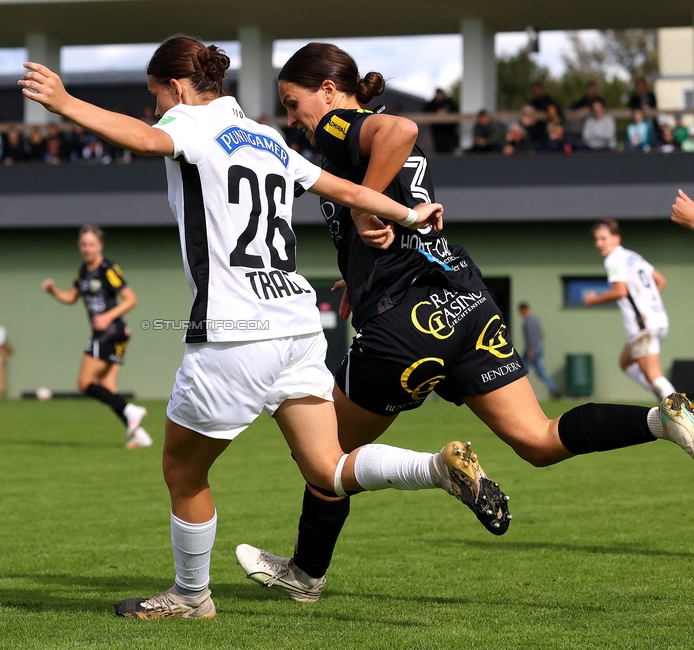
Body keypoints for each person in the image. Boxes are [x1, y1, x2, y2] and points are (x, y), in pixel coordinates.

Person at [234, 42, 694, 604]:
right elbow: (394, 207)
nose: (292, 119)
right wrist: (358, 274)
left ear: (328, 91)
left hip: (406, 318)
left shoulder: (339, 125)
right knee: (538, 440)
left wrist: (365, 205)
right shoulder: (350, 138)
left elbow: (400, 130)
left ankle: (310, 572)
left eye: (292, 102)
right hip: (463, 299)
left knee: (322, 455)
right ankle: (660, 419)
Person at [20, 34, 449, 620]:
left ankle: (191, 596)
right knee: (327, 466)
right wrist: (407, 212)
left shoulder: (192, 127)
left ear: (176, 88)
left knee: (182, 469)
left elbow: (146, 138)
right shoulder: (268, 138)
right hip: (299, 326)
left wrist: (65, 102)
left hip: (235, 330)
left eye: (155, 96)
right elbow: (342, 188)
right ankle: (435, 466)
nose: (155, 109)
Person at [41, 225, 151, 449]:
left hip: (109, 333)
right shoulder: (83, 271)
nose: (87, 248)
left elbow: (131, 299)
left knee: (84, 383)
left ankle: (132, 411)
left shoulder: (108, 269)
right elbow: (72, 298)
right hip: (114, 334)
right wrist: (53, 291)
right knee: (108, 386)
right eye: (83, 244)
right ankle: (139, 434)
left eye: (91, 244)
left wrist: (108, 316)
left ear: (100, 245)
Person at [584, 220, 677, 401]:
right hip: (658, 319)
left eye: (603, 238)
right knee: (625, 362)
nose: (598, 244)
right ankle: (666, 401)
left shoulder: (613, 259)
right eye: (596, 239)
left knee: (654, 375)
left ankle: (683, 417)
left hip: (642, 323)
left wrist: (594, 300)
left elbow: (620, 291)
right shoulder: (633, 256)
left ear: (617, 238)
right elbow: (661, 280)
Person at [518, 303, 561, 399]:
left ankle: (524, 393)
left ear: (523, 309)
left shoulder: (528, 321)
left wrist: (530, 349)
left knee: (522, 370)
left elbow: (530, 336)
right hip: (539, 347)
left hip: (532, 348)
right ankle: (554, 389)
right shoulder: (536, 319)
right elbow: (541, 335)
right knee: (540, 372)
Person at [421, 88, 459, 153]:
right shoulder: (432, 104)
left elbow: (456, 111)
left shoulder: (449, 102)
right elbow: (425, 112)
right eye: (437, 94)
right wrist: (436, 113)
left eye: (440, 94)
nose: (439, 96)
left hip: (449, 131)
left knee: (450, 150)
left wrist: (446, 113)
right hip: (437, 132)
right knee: (439, 150)